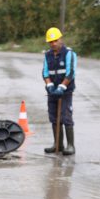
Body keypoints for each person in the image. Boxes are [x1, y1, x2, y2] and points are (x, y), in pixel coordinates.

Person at [43, 27, 77, 155]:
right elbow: (45, 72)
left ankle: (70, 146)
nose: (53, 44)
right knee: (53, 117)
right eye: (50, 41)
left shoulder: (69, 53)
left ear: (61, 39)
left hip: (65, 91)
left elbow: (70, 73)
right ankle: (58, 144)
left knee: (65, 116)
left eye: (55, 41)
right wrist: (50, 85)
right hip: (52, 92)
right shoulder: (47, 55)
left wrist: (62, 87)